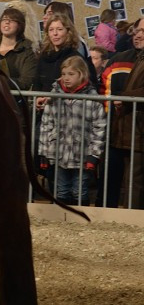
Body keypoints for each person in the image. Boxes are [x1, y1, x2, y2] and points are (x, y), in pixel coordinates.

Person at [38, 55, 106, 206]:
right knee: (61, 189)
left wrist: (94, 155)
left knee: (79, 190)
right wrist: (44, 153)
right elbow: (46, 125)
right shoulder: (54, 97)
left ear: (81, 74)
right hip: (59, 152)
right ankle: (62, 220)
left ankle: (80, 220)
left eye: (71, 74)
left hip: (82, 154)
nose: (66, 78)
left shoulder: (93, 98)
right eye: (63, 74)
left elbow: (99, 127)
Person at [99, 18, 144, 208]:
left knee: (136, 182)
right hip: (127, 128)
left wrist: (124, 97)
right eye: (137, 30)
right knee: (129, 180)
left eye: (143, 31)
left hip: (139, 129)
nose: (138, 34)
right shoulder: (137, 57)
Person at [34, 12, 89, 110]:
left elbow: (82, 87)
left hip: (67, 111)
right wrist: (37, 98)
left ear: (68, 32)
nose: (55, 33)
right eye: (51, 30)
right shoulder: (44, 56)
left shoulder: (75, 58)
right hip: (44, 112)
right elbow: (37, 82)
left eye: (59, 29)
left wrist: (52, 98)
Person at [0, 8, 38, 89]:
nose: (7, 22)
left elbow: (26, 82)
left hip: (14, 99)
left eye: (12, 20)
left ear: (19, 25)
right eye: (4, 19)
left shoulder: (27, 50)